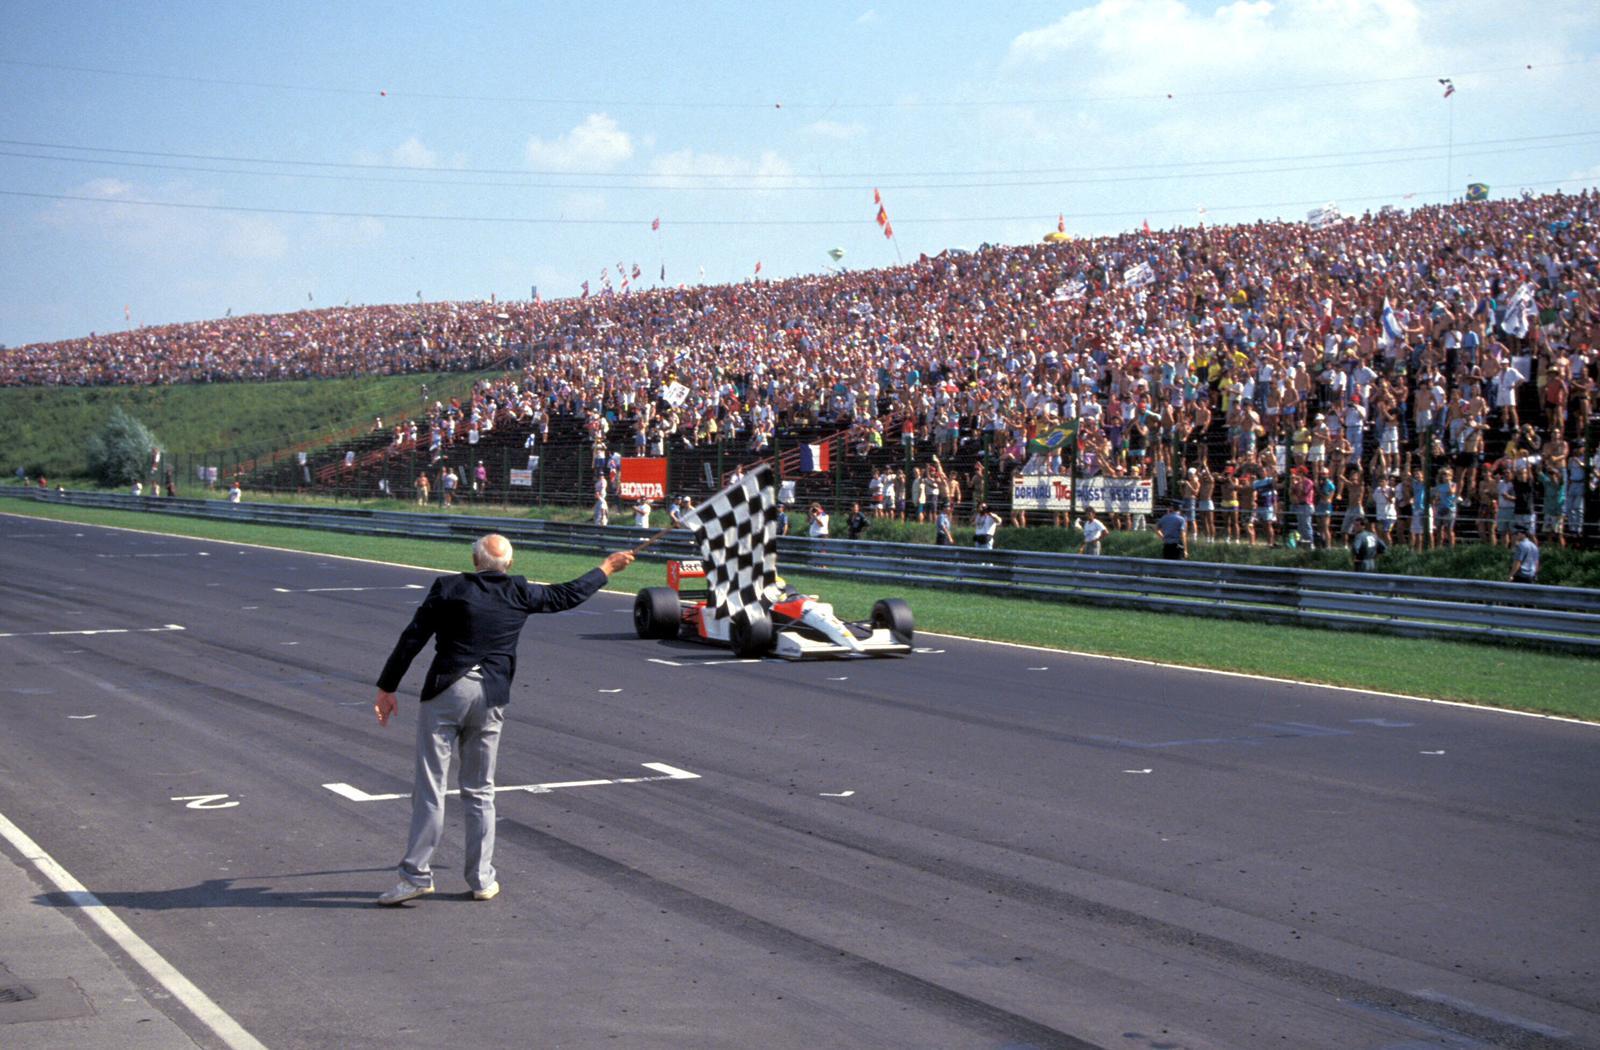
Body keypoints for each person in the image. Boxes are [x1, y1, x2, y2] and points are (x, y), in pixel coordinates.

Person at [372, 535, 636, 905]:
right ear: (509, 564)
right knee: (480, 789)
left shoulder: (449, 587)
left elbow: (412, 637)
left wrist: (387, 687)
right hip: (492, 696)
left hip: (447, 691)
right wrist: (606, 568)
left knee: (431, 788)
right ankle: (481, 878)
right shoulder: (519, 591)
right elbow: (566, 595)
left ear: (473, 560)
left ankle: (416, 874)